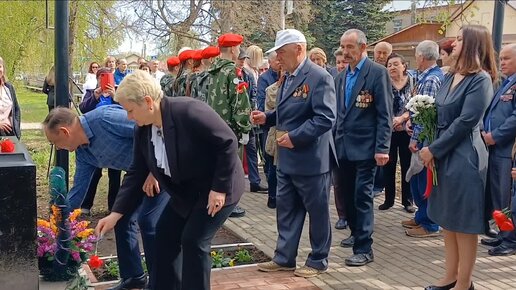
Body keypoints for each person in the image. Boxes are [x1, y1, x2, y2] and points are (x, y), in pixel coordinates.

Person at [95, 70, 244, 290]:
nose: (129, 117)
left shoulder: (189, 111)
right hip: (186, 192)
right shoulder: (143, 130)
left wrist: (219, 189)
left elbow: (228, 143)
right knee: (164, 234)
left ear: (148, 102)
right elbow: (137, 172)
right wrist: (116, 214)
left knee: (194, 241)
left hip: (217, 187)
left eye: (130, 110)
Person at [42, 105, 170, 290]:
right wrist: (58, 222)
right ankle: (134, 278)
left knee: (149, 223)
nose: (57, 148)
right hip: (136, 179)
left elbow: (154, 128)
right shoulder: (84, 153)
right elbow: (79, 190)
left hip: (162, 171)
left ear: (64, 131)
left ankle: (160, 283)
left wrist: (154, 170)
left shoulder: (104, 119)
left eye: (55, 142)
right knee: (122, 221)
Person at [252, 28, 336, 278]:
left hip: (311, 160)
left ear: (299, 49)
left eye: (281, 52)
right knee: (286, 211)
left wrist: (296, 137)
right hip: (286, 158)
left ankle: (318, 260)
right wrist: (266, 118)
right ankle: (284, 257)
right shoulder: (287, 77)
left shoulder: (319, 77)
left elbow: (326, 117)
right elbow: (287, 113)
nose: (278, 58)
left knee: (317, 213)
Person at [419, 24, 497, 290]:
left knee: (464, 223)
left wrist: (434, 149)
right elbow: (438, 114)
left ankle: (464, 283)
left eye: (461, 39)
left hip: (465, 156)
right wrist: (426, 140)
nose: (454, 43)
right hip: (443, 151)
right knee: (448, 219)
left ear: (474, 44)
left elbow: (465, 122)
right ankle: (450, 275)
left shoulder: (481, 80)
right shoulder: (451, 75)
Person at [333, 29, 392, 266]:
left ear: (363, 47)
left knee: (362, 195)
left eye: (350, 47)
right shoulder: (340, 77)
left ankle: (365, 248)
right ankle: (356, 233)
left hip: (367, 148)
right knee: (347, 196)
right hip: (342, 148)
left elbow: (384, 114)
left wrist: (382, 148)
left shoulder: (377, 73)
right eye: (343, 47)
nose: (345, 52)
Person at [206, 33, 252, 218]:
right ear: (233, 49)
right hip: (230, 129)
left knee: (219, 167)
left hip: (214, 127)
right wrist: (244, 127)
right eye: (238, 48)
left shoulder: (213, 71)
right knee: (233, 168)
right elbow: (239, 102)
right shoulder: (233, 71)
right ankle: (230, 203)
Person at [403, 40, 442, 238]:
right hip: (421, 135)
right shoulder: (426, 76)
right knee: (417, 179)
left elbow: (426, 113)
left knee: (423, 181)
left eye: (417, 56)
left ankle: (429, 223)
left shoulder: (431, 79)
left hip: (425, 139)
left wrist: (416, 138)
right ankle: (421, 216)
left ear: (422, 57)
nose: (416, 59)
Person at [481, 43, 516, 256]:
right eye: (501, 58)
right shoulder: (506, 83)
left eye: (507, 59)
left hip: (506, 149)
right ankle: (503, 234)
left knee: (506, 195)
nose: (501, 62)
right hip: (495, 148)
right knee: (498, 195)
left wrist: (495, 135)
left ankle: (511, 240)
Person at [78, 67, 121, 214]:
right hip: (96, 139)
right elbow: (83, 109)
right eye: (101, 77)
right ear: (97, 79)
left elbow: (127, 109)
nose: (105, 79)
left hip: (114, 139)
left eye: (108, 77)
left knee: (115, 174)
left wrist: (116, 96)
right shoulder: (91, 92)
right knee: (94, 173)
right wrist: (95, 96)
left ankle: (113, 207)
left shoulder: (119, 92)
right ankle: (85, 205)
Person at [379, 53, 414, 213]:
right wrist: (393, 120)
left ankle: (407, 201)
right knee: (389, 165)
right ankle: (388, 199)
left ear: (404, 66)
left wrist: (403, 118)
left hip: (406, 129)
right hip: (389, 129)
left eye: (395, 64)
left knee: (407, 165)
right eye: (389, 65)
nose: (392, 67)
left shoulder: (413, 82)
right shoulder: (384, 83)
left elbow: (415, 103)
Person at [0, 56, 21, 139]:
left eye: (0, 67)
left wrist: (16, 126)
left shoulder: (8, 87)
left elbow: (16, 109)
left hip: (10, 135)